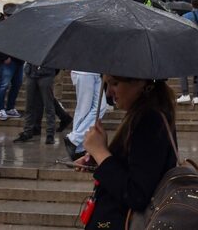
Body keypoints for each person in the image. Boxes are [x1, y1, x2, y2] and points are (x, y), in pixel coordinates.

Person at [75, 77, 177, 230]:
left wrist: (100, 152)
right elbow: (134, 166)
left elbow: (136, 194)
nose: (108, 92)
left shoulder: (150, 121)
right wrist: (99, 159)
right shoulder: (140, 115)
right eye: (107, 84)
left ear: (140, 83)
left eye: (115, 83)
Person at [14, 62, 62, 145]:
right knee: (29, 105)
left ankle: (50, 134)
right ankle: (28, 131)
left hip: (46, 73)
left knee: (48, 105)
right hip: (31, 73)